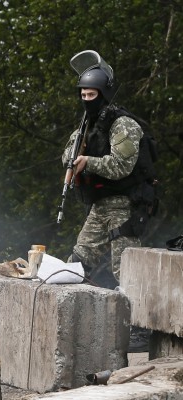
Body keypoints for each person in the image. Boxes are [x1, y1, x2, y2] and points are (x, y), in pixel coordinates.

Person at [62, 63, 144, 284]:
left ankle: (135, 318)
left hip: (125, 204)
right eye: (83, 94)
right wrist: (75, 155)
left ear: (103, 94)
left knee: (126, 272)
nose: (87, 99)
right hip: (99, 205)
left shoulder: (123, 125)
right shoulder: (86, 126)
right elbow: (66, 157)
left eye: (91, 94)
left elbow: (121, 166)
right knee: (77, 264)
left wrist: (88, 161)